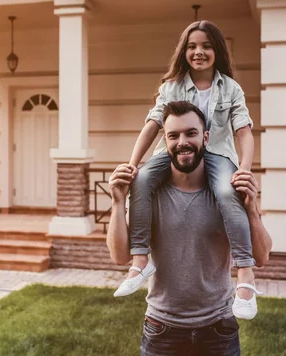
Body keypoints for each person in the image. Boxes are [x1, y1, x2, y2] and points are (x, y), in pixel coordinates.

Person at [115, 20, 258, 319]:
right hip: (173, 153)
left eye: (206, 46)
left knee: (225, 190)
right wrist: (131, 164)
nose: (199, 52)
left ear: (217, 50)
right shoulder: (172, 87)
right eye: (192, 46)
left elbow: (243, 131)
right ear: (184, 52)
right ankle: (141, 260)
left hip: (216, 154)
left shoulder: (231, 88)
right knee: (141, 180)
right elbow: (152, 126)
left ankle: (245, 275)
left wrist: (244, 168)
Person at [107, 101, 272, 355]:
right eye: (173, 135)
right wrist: (118, 203)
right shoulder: (151, 195)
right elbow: (119, 257)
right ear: (166, 141)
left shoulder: (227, 195)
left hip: (218, 329)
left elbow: (261, 257)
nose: (182, 141)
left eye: (191, 133)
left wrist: (252, 210)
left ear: (206, 137)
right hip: (161, 329)